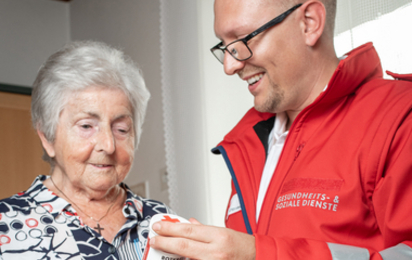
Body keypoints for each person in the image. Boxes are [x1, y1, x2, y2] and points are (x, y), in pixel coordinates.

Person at [149, 0, 412, 259]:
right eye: (224, 46)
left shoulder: (400, 118)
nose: (230, 67)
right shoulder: (247, 141)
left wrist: (258, 255)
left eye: (243, 39)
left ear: (309, 23)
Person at [0, 41, 173, 259]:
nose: (108, 145)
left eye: (121, 129)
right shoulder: (6, 224)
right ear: (47, 137)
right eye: (86, 126)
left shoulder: (162, 220)